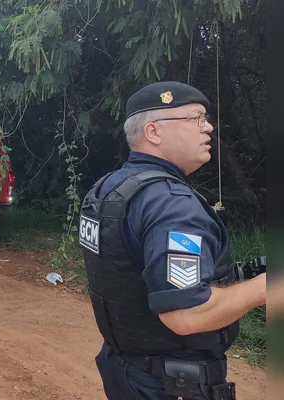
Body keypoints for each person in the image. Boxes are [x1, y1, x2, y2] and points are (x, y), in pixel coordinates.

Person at [78, 81, 266, 400]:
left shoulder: (109, 188)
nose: (207, 127)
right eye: (196, 118)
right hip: (171, 384)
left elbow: (133, 271)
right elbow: (186, 314)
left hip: (125, 367)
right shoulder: (172, 205)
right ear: (154, 132)